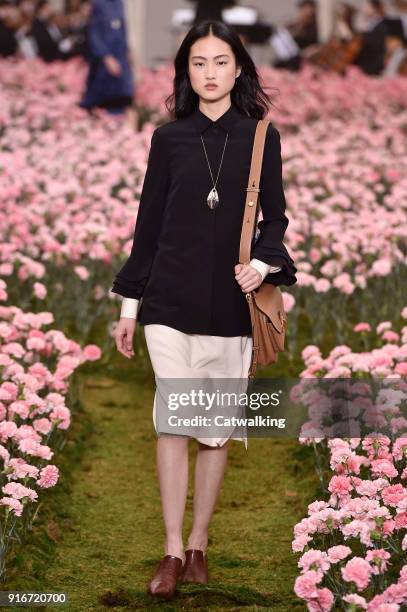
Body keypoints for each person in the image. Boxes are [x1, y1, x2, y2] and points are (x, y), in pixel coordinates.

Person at [111, 19, 297, 600]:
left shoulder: (261, 137)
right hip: (167, 299)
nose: (210, 73)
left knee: (214, 432)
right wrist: (130, 304)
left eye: (220, 62)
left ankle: (198, 543)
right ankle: (169, 550)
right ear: (185, 72)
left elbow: (277, 221)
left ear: (238, 68)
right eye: (198, 63)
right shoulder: (167, 140)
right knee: (173, 421)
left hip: (229, 304)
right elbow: (148, 227)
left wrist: (263, 267)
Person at [80, 0, 134, 115]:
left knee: (122, 97)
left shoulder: (120, 4)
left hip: (120, 57)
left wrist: (127, 50)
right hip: (103, 63)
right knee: (101, 101)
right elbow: (94, 34)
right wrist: (106, 56)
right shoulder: (98, 4)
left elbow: (123, 29)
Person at [352, 0, 389, 75]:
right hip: (366, 58)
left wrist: (362, 34)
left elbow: (374, 43)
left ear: (374, 8)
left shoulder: (381, 25)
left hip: (372, 62)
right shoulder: (370, 23)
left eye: (367, 6)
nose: (364, 9)